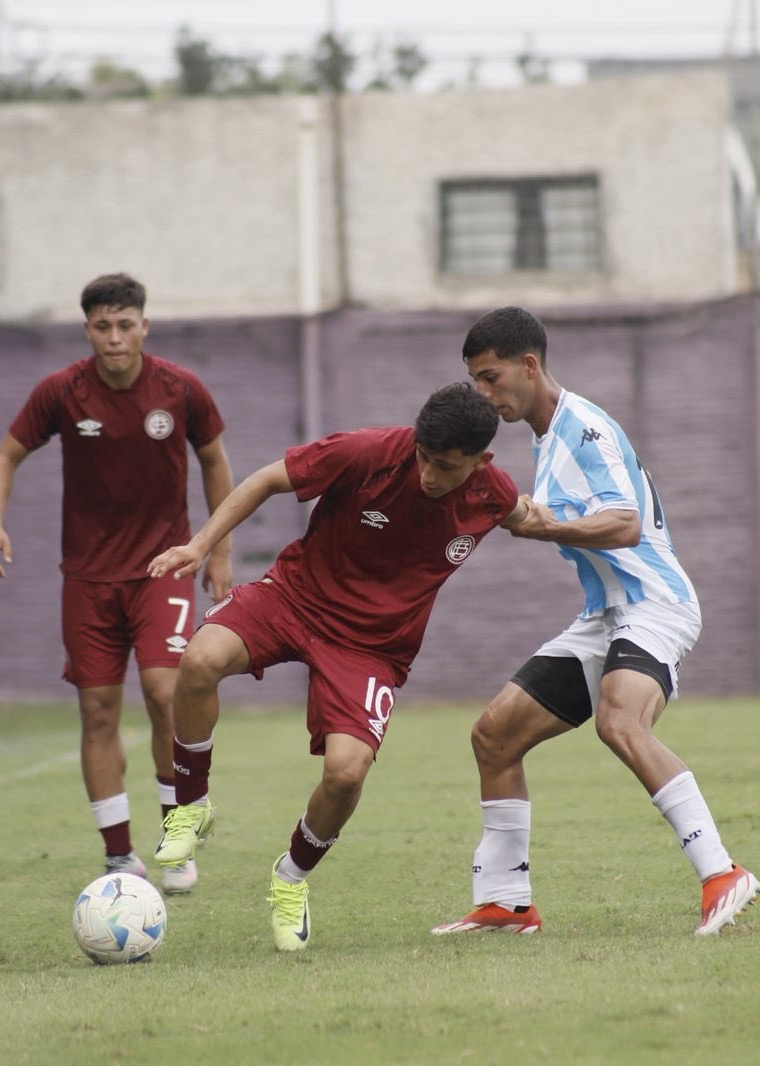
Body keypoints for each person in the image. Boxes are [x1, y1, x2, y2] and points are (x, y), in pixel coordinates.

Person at [147, 383, 525, 952]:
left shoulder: (493, 495)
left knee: (347, 773)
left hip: (371, 647)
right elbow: (266, 480)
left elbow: (530, 518)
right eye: (423, 456)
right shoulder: (369, 453)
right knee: (199, 659)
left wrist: (608, 535)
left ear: (481, 461)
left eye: (445, 466)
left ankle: (291, 877)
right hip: (294, 597)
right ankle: (190, 807)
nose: (427, 473)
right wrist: (201, 545)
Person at [433, 306, 760, 939]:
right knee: (494, 736)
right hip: (608, 615)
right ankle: (506, 901)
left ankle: (722, 873)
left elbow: (624, 523)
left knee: (618, 720)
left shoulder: (583, 429)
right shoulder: (545, 437)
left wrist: (545, 525)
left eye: (490, 377)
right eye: (476, 381)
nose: (484, 393)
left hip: (656, 605)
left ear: (530, 365)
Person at [0, 272, 232, 896]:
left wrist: (217, 550)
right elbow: (6, 454)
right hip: (87, 578)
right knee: (97, 710)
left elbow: (216, 461)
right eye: (102, 326)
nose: (115, 338)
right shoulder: (62, 392)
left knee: (162, 690)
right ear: (87, 329)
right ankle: (119, 856)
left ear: (144, 326)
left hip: (162, 568)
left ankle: (176, 840)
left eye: (126, 325)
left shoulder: (180, 390)